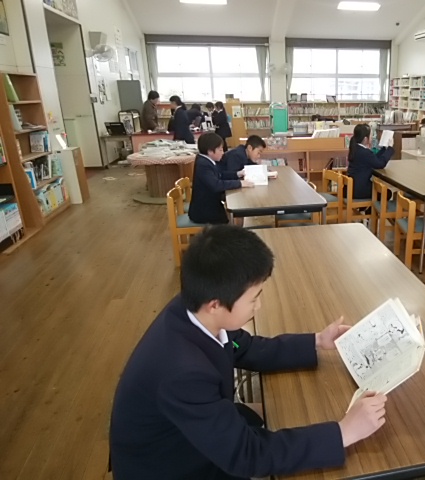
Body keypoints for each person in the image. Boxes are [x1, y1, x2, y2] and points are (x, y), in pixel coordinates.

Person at [109, 225, 388, 480]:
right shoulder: (183, 372)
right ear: (216, 305)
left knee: (284, 414)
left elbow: (246, 347)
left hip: (193, 433)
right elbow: (247, 456)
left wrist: (317, 340)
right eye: (254, 298)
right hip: (175, 466)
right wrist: (343, 432)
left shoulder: (194, 307)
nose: (258, 306)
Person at [188, 132, 253, 225]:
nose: (223, 153)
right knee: (229, 217)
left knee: (231, 212)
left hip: (209, 204)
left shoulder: (206, 160)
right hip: (203, 211)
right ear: (210, 151)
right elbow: (216, 185)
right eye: (220, 150)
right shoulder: (203, 165)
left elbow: (220, 174)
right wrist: (240, 183)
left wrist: (237, 174)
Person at [346, 124, 394, 200]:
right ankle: (370, 207)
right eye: (371, 136)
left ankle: (369, 206)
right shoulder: (365, 153)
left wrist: (384, 149)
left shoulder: (357, 149)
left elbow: (374, 159)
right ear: (366, 139)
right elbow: (380, 164)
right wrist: (390, 148)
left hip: (352, 187)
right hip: (360, 189)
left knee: (383, 190)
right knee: (387, 193)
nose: (372, 137)